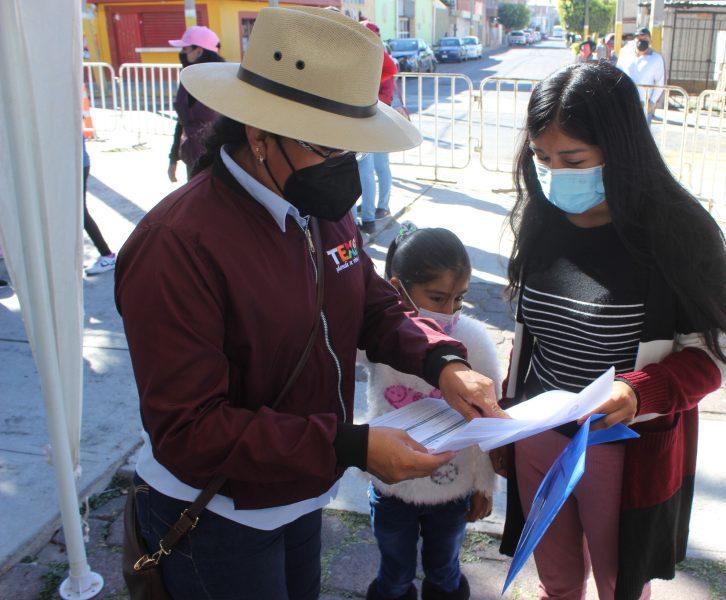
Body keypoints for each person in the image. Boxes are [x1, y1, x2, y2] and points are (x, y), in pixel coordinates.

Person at [115, 8, 503, 599]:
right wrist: (348, 445)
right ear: (260, 134)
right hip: (218, 515)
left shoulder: (317, 203)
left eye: (355, 146)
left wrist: (444, 363)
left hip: (300, 493)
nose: (347, 167)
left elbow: (372, 303)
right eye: (330, 146)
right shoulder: (177, 246)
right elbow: (189, 428)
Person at [493, 61, 726, 600]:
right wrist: (505, 419)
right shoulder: (541, 218)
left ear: (620, 149)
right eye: (542, 158)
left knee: (619, 585)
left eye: (573, 160)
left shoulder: (680, 234)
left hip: (619, 450)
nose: (554, 174)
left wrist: (638, 390)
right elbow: (529, 335)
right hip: (538, 436)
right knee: (556, 579)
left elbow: (713, 357)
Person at [361, 223, 499, 600]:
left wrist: (485, 485)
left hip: (452, 491)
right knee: (395, 569)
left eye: (459, 298)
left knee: (444, 566)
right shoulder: (380, 336)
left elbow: (491, 420)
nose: (449, 310)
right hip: (391, 487)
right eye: (438, 297)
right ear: (396, 288)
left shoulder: (474, 341)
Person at [166, 26, 223, 182]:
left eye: (185, 49)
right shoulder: (186, 79)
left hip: (217, 161)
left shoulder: (222, 80)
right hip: (191, 158)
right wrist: (173, 158)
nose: (182, 54)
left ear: (199, 51)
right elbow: (182, 122)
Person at [357, 20, 397, 235]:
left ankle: (371, 213)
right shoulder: (369, 57)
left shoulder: (370, 57)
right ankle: (372, 212)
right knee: (371, 167)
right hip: (374, 118)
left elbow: (389, 75)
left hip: (374, 119)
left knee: (371, 167)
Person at [616, 27, 666, 124]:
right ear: (635, 39)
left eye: (645, 39)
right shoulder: (625, 54)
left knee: (641, 136)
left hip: (643, 104)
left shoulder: (656, 59)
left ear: (650, 41)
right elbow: (617, 74)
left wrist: (652, 102)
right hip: (625, 101)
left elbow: (660, 82)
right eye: (639, 38)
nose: (642, 41)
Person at [82, 137, 116, 275]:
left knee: (79, 213)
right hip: (75, 164)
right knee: (76, 214)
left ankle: (107, 255)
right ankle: (107, 255)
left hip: (75, 165)